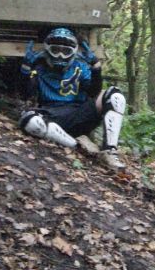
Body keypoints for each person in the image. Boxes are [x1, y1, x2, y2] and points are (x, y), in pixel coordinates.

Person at [19, 26, 126, 170]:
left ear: (73, 51)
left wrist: (96, 69)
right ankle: (79, 147)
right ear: (48, 49)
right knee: (29, 121)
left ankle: (110, 151)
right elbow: (26, 93)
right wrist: (26, 70)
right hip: (52, 118)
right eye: (56, 50)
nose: (60, 56)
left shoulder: (80, 67)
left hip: (79, 114)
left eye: (66, 51)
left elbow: (94, 92)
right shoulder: (39, 68)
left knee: (115, 96)